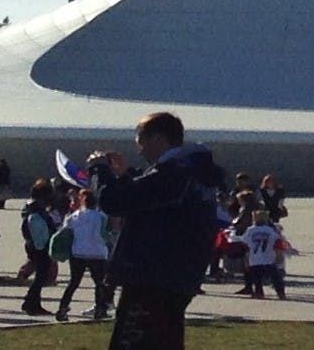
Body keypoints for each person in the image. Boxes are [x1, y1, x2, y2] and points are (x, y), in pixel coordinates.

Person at [86, 112, 226, 350]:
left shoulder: (176, 174)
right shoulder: (193, 174)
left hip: (152, 278)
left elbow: (115, 202)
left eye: (141, 141)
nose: (139, 151)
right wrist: (127, 176)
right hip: (177, 278)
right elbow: (149, 201)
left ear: (159, 139)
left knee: (133, 341)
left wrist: (100, 171)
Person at [57, 189, 114, 321]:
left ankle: (62, 308)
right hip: (97, 252)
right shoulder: (101, 217)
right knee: (99, 283)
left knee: (74, 283)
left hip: (78, 252)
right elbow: (105, 234)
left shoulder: (73, 216)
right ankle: (100, 309)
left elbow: (65, 232)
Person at [19, 179, 62, 316]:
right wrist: (43, 246)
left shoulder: (33, 208)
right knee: (41, 277)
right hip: (40, 247)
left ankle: (33, 302)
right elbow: (39, 230)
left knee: (41, 276)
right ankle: (30, 302)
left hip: (36, 246)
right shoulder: (36, 211)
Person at [239, 212, 287, 300]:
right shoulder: (270, 230)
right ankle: (281, 293)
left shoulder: (250, 230)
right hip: (268, 259)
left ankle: (259, 292)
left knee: (257, 279)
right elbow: (277, 243)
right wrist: (279, 255)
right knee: (275, 277)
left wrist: (246, 259)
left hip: (255, 259)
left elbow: (245, 244)